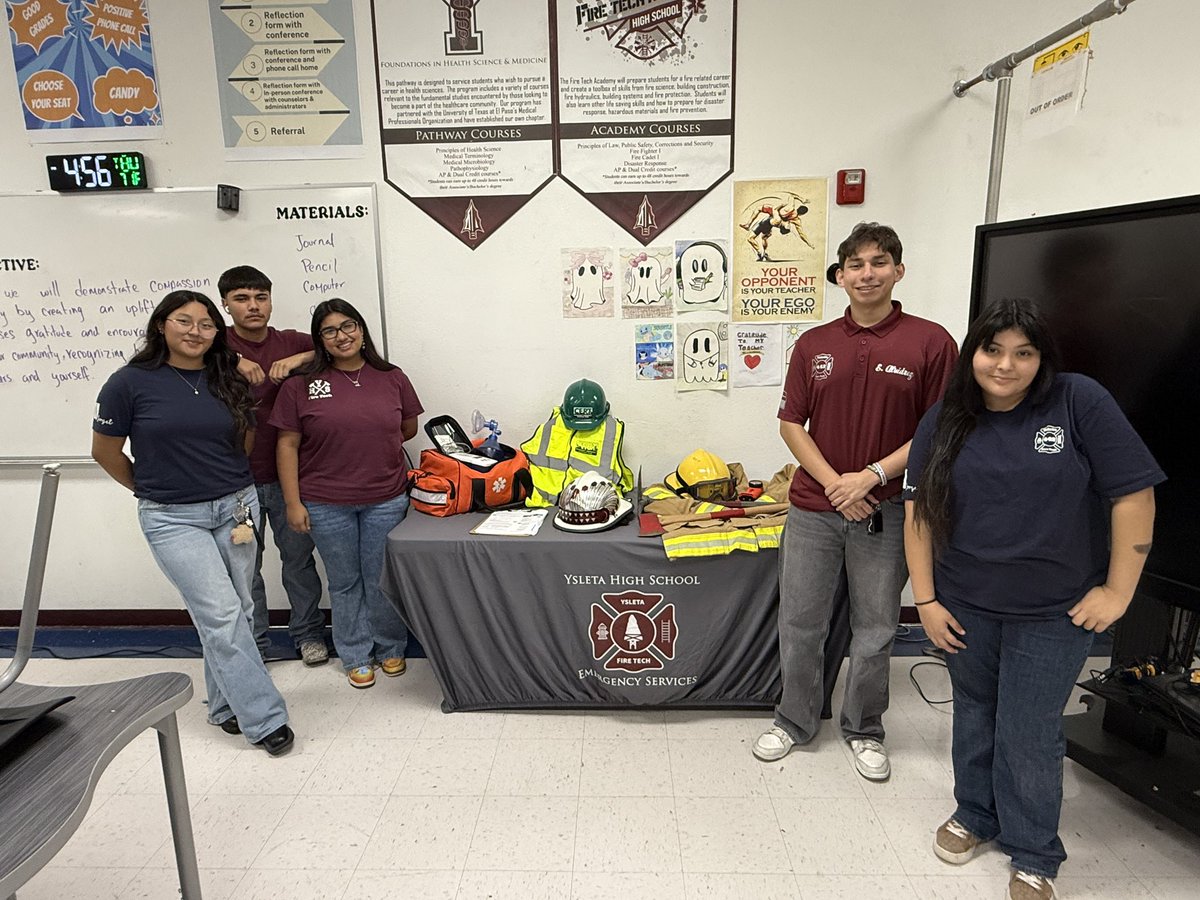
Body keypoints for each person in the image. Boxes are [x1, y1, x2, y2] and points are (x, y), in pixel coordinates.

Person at [903, 297, 1162, 900]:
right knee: (973, 712)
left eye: (1023, 353)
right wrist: (927, 600)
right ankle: (975, 814)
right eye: (992, 350)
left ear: (1041, 359)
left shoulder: (1078, 402)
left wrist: (1119, 592)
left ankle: (1034, 851)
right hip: (964, 603)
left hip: (1055, 610)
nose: (1005, 365)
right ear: (973, 355)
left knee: (1028, 727)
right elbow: (918, 512)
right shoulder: (944, 418)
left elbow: (1135, 495)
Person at [754, 222, 958, 781]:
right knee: (800, 622)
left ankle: (865, 728)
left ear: (898, 270)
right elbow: (791, 423)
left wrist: (868, 477)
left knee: (875, 629)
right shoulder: (814, 344)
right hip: (814, 509)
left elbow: (938, 430)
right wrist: (836, 486)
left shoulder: (932, 342)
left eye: (879, 262)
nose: (867, 273)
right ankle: (793, 721)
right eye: (856, 265)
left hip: (888, 510)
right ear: (840, 276)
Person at [91, 290, 293, 755]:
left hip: (236, 507)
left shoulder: (227, 376)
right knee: (221, 615)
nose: (195, 332)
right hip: (173, 518)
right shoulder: (128, 383)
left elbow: (244, 438)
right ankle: (264, 718)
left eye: (206, 325)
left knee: (238, 610)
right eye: (184, 322)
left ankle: (224, 707)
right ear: (161, 325)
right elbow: (105, 452)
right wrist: (155, 490)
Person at [271, 298, 423, 689]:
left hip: (386, 499)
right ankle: (355, 653)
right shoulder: (299, 385)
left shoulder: (391, 377)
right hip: (324, 502)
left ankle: (390, 647)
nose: (342, 336)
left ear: (362, 330)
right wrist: (292, 503)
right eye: (330, 330)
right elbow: (286, 445)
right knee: (343, 581)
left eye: (349, 326)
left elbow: (406, 428)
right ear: (319, 340)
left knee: (380, 577)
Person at [219, 265, 327, 666]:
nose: (253, 306)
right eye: (242, 299)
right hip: (234, 481)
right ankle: (255, 643)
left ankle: (309, 634)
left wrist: (300, 357)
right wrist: (232, 359)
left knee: (298, 560)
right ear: (225, 305)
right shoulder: (214, 343)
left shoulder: (290, 341)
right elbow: (178, 351)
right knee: (245, 569)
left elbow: (335, 347)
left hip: (289, 479)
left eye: (260, 297)